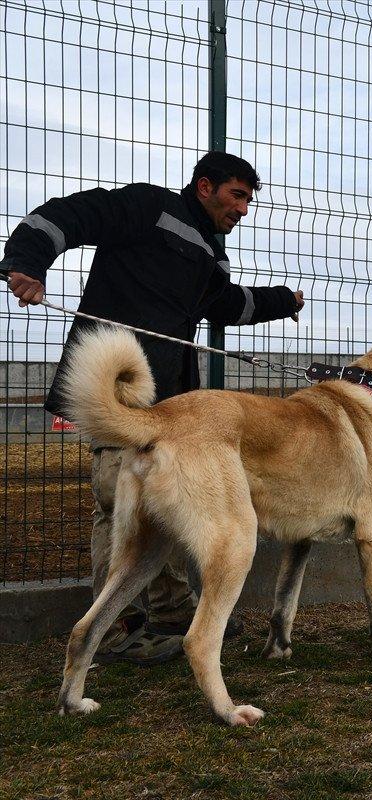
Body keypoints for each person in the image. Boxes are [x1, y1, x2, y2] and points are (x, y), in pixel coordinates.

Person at [2, 152, 304, 665]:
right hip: (117, 384)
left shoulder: (211, 248)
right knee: (119, 499)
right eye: (237, 195)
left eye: (250, 199)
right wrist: (26, 263)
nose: (245, 209)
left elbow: (225, 305)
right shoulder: (149, 207)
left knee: (163, 503)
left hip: (170, 401)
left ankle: (169, 615)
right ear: (205, 186)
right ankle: (120, 626)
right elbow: (69, 215)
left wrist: (282, 302)